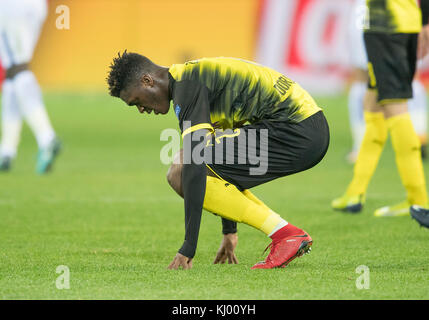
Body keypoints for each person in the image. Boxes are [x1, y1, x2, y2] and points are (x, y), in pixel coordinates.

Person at [107, 53, 330, 269]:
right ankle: (285, 233)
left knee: (180, 170)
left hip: (295, 129)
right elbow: (223, 170)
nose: (141, 109)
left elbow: (195, 167)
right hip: (306, 128)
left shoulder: (188, 87)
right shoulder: (192, 79)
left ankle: (286, 234)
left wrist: (188, 247)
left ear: (147, 80)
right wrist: (229, 231)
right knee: (189, 162)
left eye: (137, 101)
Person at [332, 0, 429, 217]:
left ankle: (419, 200)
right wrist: (424, 22)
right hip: (404, 23)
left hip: (386, 27)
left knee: (395, 104)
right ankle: (355, 192)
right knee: (372, 102)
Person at [346, 0, 428, 164]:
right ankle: (417, 138)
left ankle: (363, 146)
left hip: (372, 12)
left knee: (364, 77)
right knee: (409, 76)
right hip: (405, 12)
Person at [0, 0, 61, 173]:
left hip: (10, 6)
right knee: (13, 71)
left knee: (17, 67)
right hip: (36, 6)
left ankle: (47, 137)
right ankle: (7, 150)